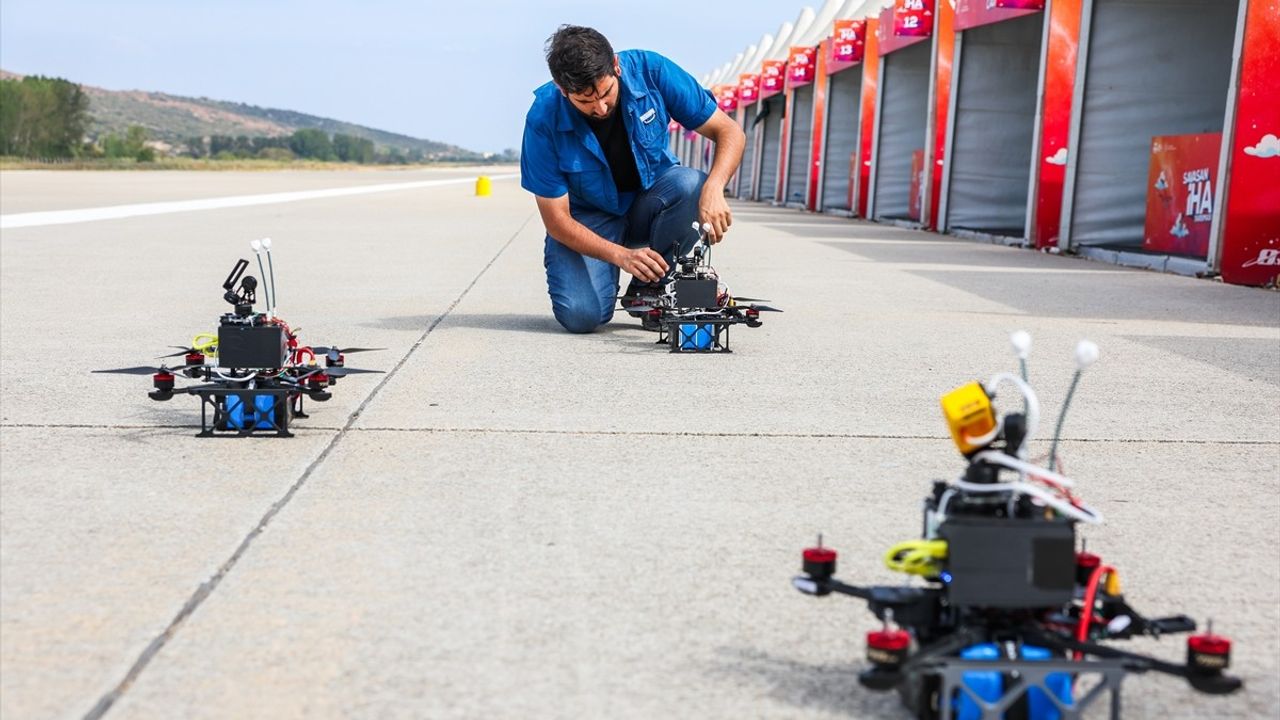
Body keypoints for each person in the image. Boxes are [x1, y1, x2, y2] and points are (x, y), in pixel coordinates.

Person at [520, 25, 745, 334]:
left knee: (691, 184)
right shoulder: (543, 117)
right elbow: (556, 219)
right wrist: (620, 256)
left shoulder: (652, 71)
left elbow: (729, 131)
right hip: (588, 220)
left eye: (605, 93)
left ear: (616, 66)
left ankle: (649, 287)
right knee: (582, 317)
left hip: (648, 203)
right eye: (585, 101)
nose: (599, 108)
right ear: (562, 89)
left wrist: (715, 188)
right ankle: (612, 274)